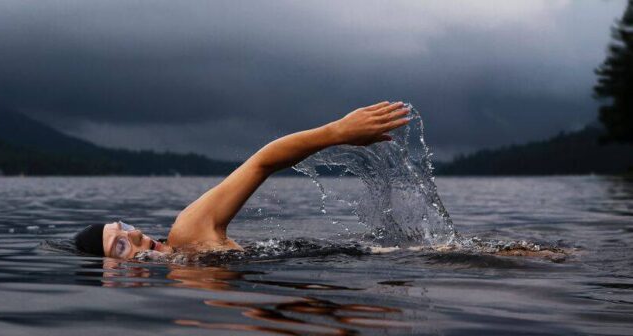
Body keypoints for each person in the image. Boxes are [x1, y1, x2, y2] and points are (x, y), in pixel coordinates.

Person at [74, 101, 411, 259]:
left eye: (125, 227)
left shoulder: (188, 234)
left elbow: (261, 163)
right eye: (120, 245)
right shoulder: (185, 289)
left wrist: (337, 132)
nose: (135, 234)